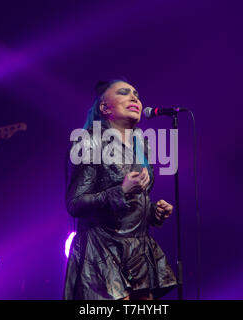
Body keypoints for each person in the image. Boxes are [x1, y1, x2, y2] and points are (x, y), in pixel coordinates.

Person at [63, 79, 177, 300]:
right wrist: (121, 190)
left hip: (138, 251)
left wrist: (154, 212)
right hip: (103, 250)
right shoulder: (88, 142)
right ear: (105, 107)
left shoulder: (141, 145)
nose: (134, 97)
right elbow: (74, 203)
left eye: (136, 93)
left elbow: (134, 203)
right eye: (124, 93)